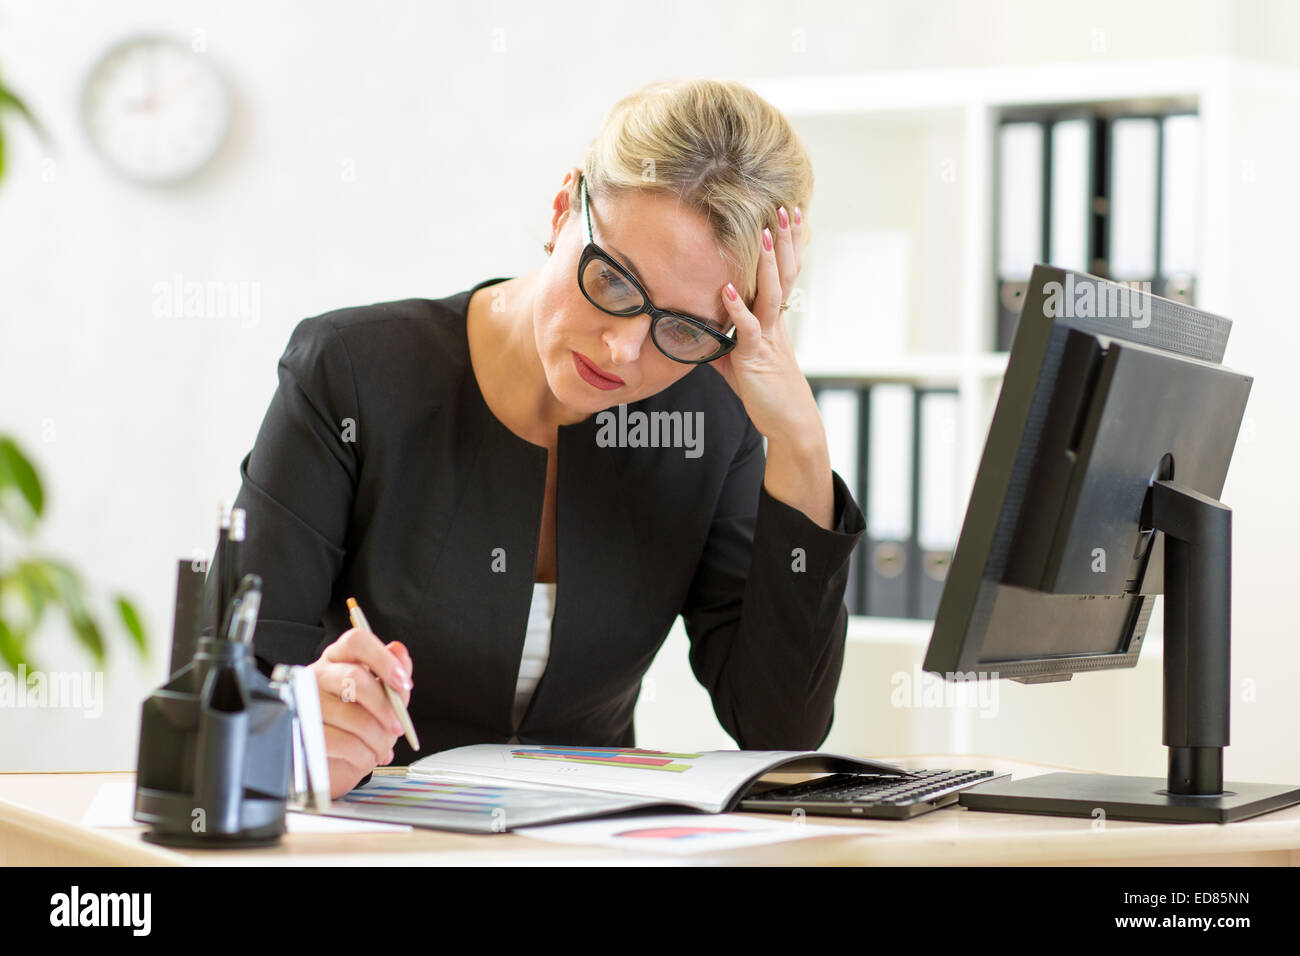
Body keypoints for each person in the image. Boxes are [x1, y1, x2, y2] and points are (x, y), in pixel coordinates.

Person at [205, 78, 866, 799]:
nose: (623, 350)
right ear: (563, 209)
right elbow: (230, 682)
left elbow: (778, 722)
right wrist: (306, 710)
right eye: (613, 282)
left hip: (590, 846)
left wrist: (799, 440)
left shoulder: (710, 418)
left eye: (682, 329)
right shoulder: (352, 372)